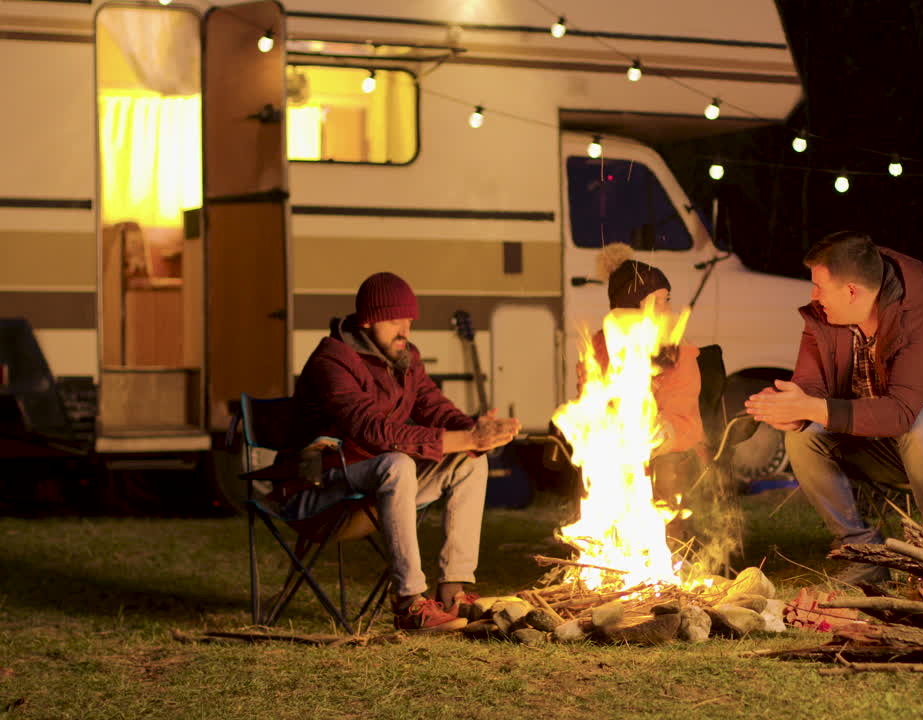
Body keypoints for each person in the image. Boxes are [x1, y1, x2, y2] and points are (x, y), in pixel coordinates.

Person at [745, 232, 923, 583]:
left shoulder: (922, 320)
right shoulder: (822, 320)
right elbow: (811, 390)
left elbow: (900, 413)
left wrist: (812, 407)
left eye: (819, 286)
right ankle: (864, 551)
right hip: (888, 440)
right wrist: (792, 411)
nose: (813, 296)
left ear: (851, 291)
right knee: (805, 437)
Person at [284, 271, 520, 631]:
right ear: (367, 320)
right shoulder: (332, 361)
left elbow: (434, 406)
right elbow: (374, 431)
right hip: (318, 491)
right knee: (397, 463)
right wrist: (466, 437)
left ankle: (453, 592)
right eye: (395, 320)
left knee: (470, 462)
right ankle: (410, 604)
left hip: (373, 490)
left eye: (408, 320)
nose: (405, 330)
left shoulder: (404, 358)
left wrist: (476, 432)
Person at [577, 244, 705, 537]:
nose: (667, 310)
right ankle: (605, 542)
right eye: (657, 302)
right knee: (601, 451)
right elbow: (589, 400)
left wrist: (647, 430)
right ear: (631, 307)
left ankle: (665, 545)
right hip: (617, 439)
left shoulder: (678, 352)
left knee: (650, 453)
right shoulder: (598, 349)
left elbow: (680, 409)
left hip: (675, 436)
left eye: (667, 300)